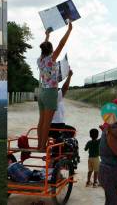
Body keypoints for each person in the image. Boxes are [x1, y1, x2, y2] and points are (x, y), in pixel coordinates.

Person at [37, 22, 73, 150]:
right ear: (51, 51)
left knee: (41, 121)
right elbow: (61, 44)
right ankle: (42, 147)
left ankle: (38, 145)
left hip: (41, 92)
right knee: (47, 123)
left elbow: (44, 48)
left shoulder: (40, 60)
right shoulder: (52, 59)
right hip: (50, 93)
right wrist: (69, 30)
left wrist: (47, 36)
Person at [49, 69, 76, 139]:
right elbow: (65, 88)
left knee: (72, 130)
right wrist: (69, 76)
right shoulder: (54, 96)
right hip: (56, 125)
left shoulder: (48, 95)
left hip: (51, 124)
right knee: (72, 132)